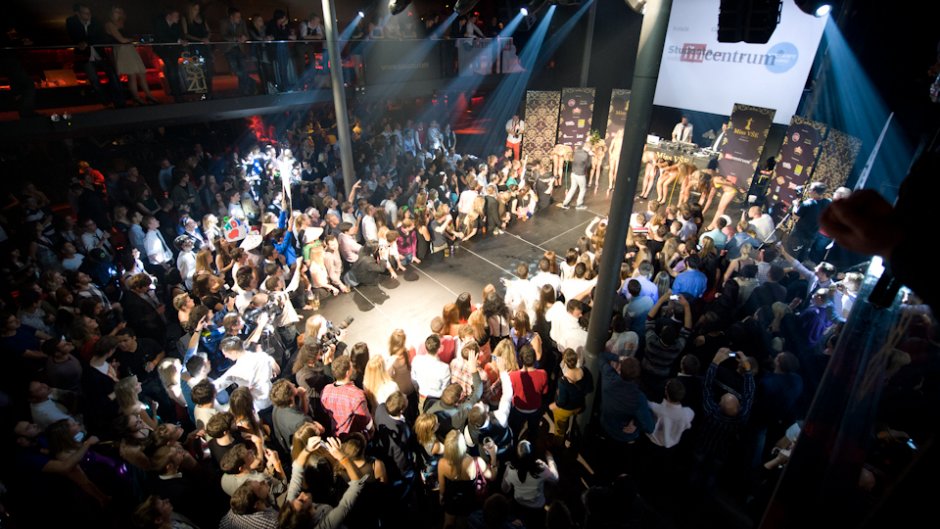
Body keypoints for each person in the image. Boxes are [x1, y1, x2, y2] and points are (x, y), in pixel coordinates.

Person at [66, 3, 124, 107]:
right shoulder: (71, 22)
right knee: (94, 80)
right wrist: (81, 42)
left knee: (112, 74)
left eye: (89, 12)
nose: (88, 15)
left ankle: (119, 101)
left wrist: (86, 42)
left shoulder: (95, 21)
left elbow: (99, 36)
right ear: (78, 14)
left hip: (99, 53)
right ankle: (106, 101)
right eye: (85, 13)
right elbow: (73, 35)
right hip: (85, 56)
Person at [104, 7, 157, 105]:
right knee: (131, 74)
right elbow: (121, 39)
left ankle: (148, 95)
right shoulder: (109, 24)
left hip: (130, 48)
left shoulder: (123, 23)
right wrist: (134, 40)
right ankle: (136, 97)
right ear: (111, 13)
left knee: (141, 72)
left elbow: (129, 37)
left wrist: (134, 40)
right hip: (122, 49)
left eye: (120, 11)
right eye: (116, 12)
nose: (119, 13)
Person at [153, 8, 186, 102]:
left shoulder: (175, 26)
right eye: (176, 16)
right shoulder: (160, 24)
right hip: (163, 50)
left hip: (173, 51)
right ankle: (176, 93)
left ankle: (177, 91)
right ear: (169, 16)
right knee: (172, 69)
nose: (178, 18)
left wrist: (180, 41)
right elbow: (162, 37)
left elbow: (179, 35)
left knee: (174, 70)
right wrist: (178, 41)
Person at [221, 7, 254, 95]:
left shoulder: (242, 22)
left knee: (243, 68)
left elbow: (247, 34)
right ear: (231, 17)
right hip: (229, 49)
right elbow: (224, 35)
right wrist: (236, 38)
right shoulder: (224, 22)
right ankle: (250, 82)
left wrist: (244, 38)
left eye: (240, 16)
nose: (239, 18)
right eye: (237, 17)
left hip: (240, 48)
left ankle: (244, 89)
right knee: (235, 69)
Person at [558, 142, 591, 210]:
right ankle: (579, 205)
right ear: (588, 148)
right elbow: (588, 165)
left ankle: (565, 204)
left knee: (572, 188)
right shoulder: (585, 155)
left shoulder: (577, 151)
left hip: (573, 173)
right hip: (580, 175)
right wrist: (590, 155)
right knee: (582, 189)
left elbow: (580, 147)